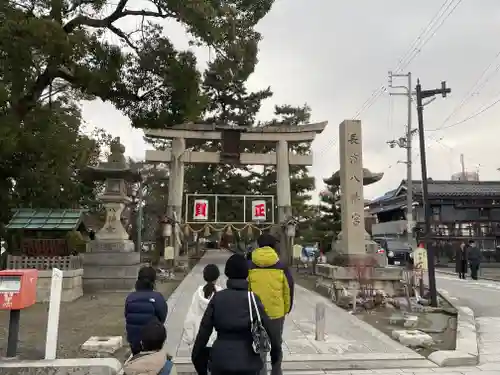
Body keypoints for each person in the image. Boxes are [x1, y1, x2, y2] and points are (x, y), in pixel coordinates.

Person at [191, 254, 282, 375]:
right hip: (248, 361)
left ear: (227, 273)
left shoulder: (218, 298)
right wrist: (275, 360)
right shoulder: (253, 299)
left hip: (221, 360)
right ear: (246, 273)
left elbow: (203, 332)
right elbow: (272, 333)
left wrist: (199, 363)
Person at [248, 233, 294, 375]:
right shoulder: (281, 266)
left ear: (259, 245)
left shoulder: (249, 265)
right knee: (276, 345)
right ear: (274, 246)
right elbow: (288, 290)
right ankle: (276, 371)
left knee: (258, 344)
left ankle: (261, 371)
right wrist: (285, 309)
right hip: (276, 313)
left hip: (256, 312)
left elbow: (246, 289)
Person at [183, 264, 222, 375]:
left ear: (204, 276)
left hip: (200, 339)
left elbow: (190, 316)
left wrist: (189, 338)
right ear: (217, 276)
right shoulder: (221, 294)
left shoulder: (197, 294)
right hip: (216, 341)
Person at [125, 266, 168, 355]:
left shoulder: (130, 298)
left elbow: (127, 316)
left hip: (134, 341)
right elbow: (162, 317)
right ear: (153, 281)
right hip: (153, 341)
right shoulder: (157, 298)